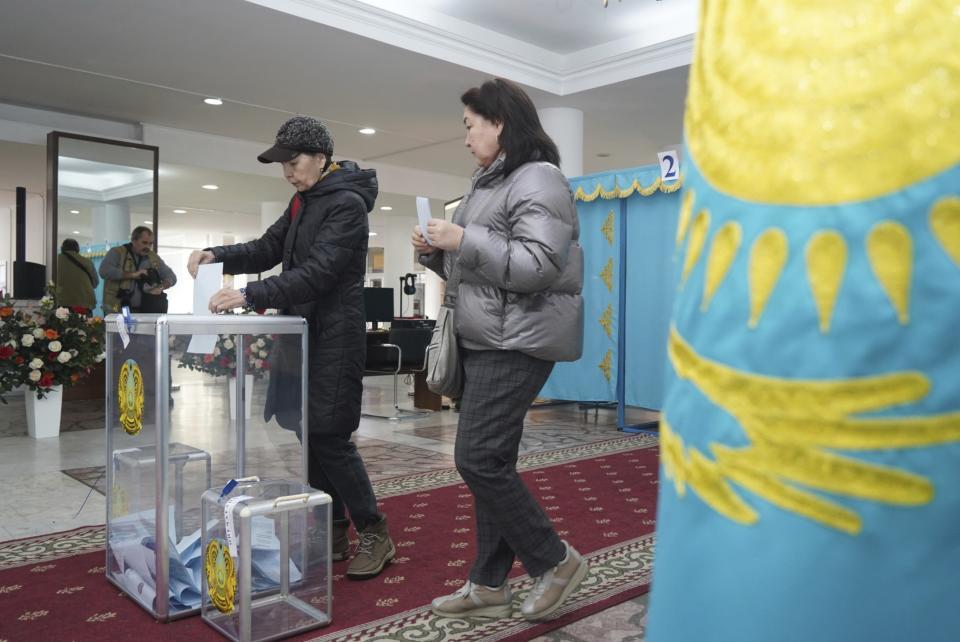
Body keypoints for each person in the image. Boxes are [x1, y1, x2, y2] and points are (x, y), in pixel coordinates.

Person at [187, 115, 394, 579]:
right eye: (282, 163)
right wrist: (217, 256)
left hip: (336, 337)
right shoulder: (303, 200)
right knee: (309, 436)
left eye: (293, 161)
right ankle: (332, 528)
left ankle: (375, 532)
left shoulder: (346, 205)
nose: (286, 171)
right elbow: (266, 248)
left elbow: (321, 271)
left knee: (329, 436)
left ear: (321, 158)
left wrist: (250, 294)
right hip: (303, 333)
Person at [413, 78, 586, 621]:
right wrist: (435, 254)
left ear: (499, 122)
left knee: (477, 459)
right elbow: (481, 270)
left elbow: (537, 266)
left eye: (470, 125)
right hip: (487, 336)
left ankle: (555, 560)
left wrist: (463, 240)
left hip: (519, 340)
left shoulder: (540, 178)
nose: (465, 138)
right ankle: (489, 585)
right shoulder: (490, 183)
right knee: (491, 459)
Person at [99, 226, 176, 313]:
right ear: (133, 240)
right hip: (117, 310)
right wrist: (133, 274)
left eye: (150, 244)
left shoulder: (153, 258)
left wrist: (160, 287)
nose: (148, 247)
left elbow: (171, 277)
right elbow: (104, 271)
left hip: (145, 310)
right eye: (144, 243)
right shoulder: (117, 252)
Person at [56, 238, 99, 311]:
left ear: (62, 248)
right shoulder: (87, 262)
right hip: (84, 302)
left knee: (62, 321)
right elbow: (95, 283)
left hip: (62, 301)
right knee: (84, 322)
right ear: (78, 249)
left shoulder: (54, 260)